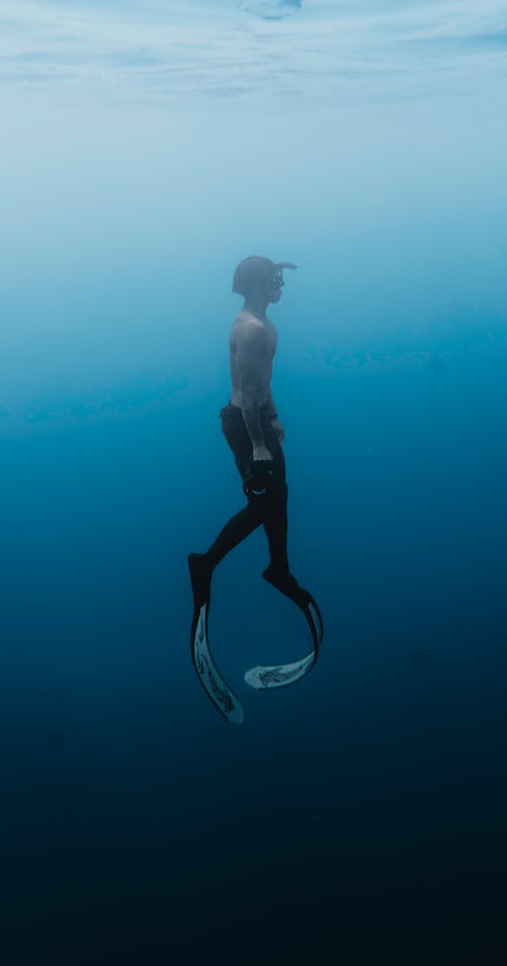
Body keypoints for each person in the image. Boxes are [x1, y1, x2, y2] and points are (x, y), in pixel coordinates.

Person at [188, 256, 323, 721]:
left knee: (278, 498)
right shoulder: (250, 329)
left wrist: (275, 416)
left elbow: (263, 384)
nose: (280, 283)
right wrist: (261, 443)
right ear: (257, 283)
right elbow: (245, 391)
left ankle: (278, 568)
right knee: (264, 501)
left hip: (258, 422)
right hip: (246, 428)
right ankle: (204, 564)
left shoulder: (267, 327)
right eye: (274, 277)